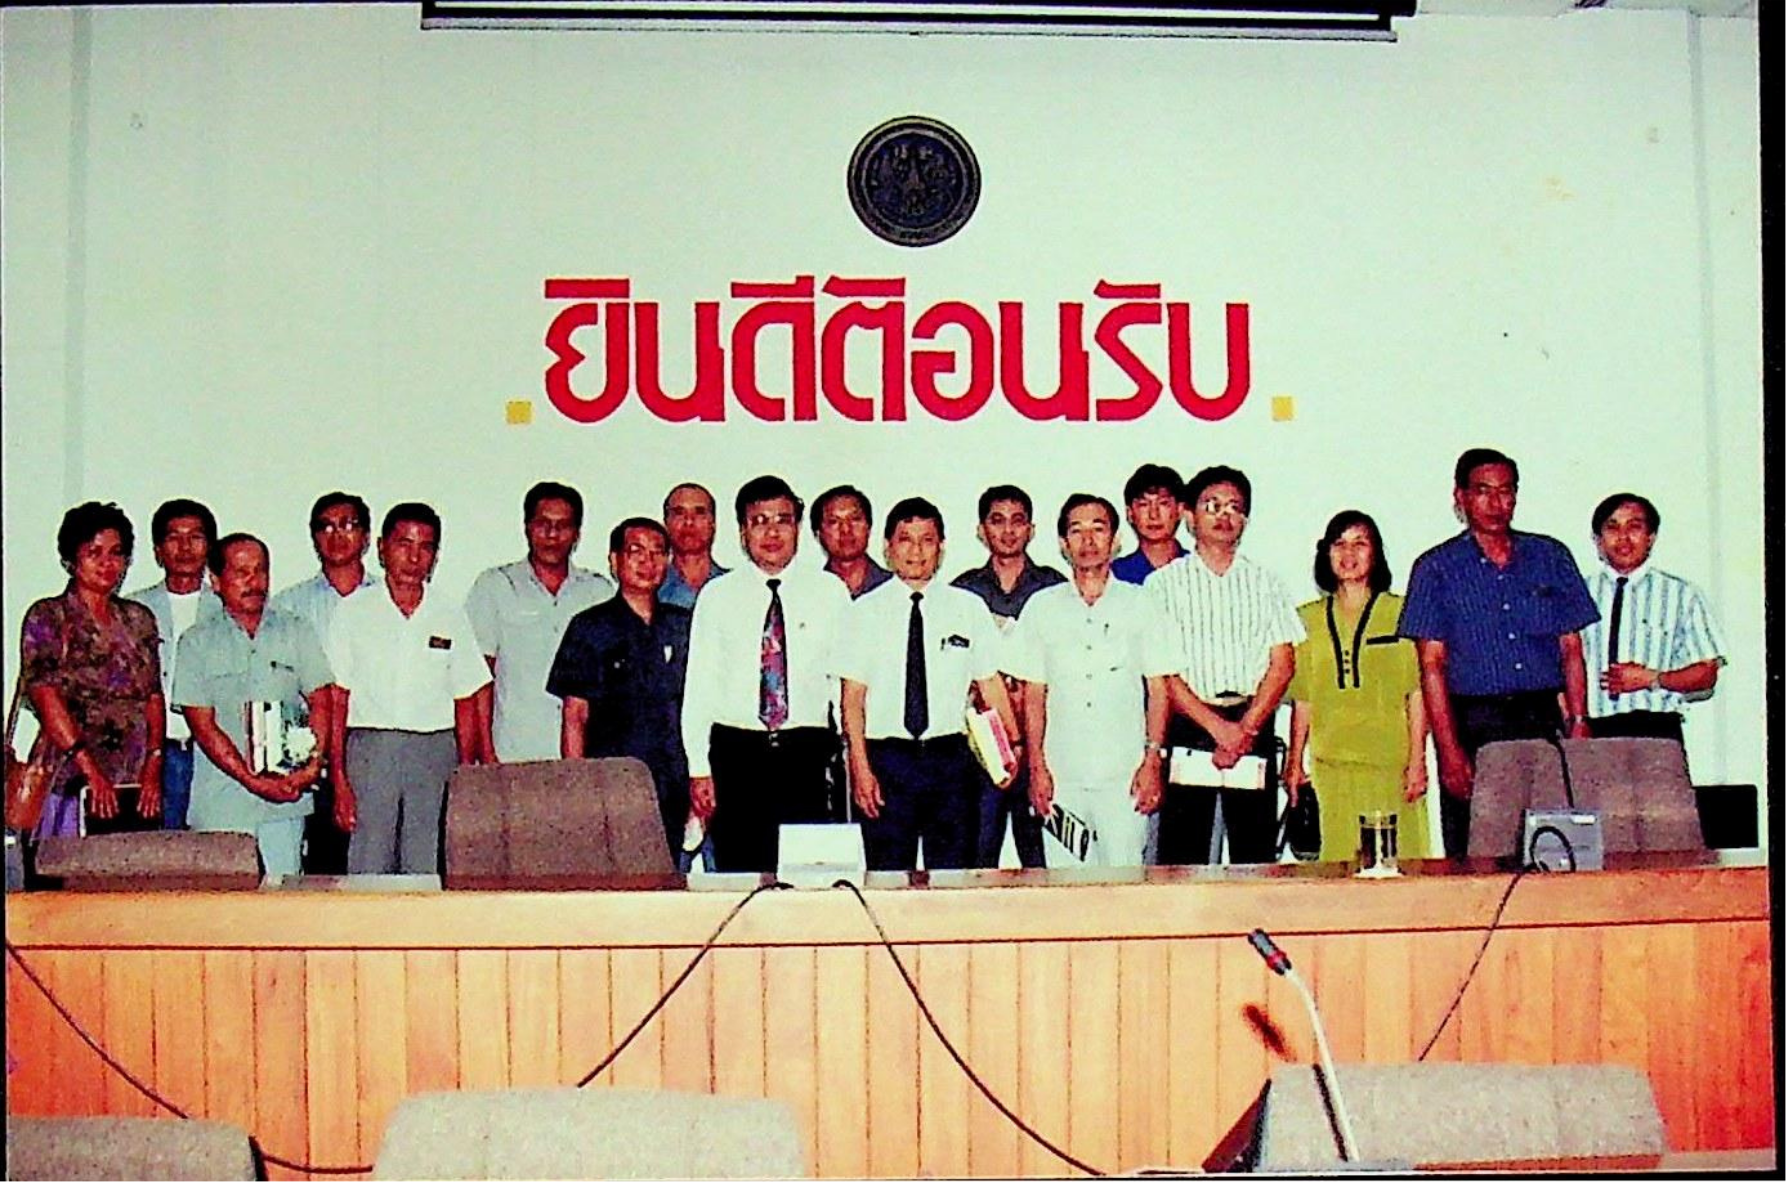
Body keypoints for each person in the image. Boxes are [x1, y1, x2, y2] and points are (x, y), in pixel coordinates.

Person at [1399, 448, 1598, 857]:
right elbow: (1431, 666)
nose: (1496, 502)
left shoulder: (1550, 556)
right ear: (1460, 497)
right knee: (1477, 853)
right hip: (1475, 723)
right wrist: (1449, 752)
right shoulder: (1435, 568)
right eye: (1483, 491)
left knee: (1553, 848)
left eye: (1506, 491)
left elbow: (1571, 649)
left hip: (1543, 719)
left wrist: (1579, 722)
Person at [837, 498, 1019, 872]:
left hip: (950, 760)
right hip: (886, 760)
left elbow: (991, 686)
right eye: (906, 540)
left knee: (954, 877)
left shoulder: (967, 608)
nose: (916, 551)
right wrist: (860, 768)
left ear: (941, 547)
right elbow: (852, 699)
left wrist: (1012, 749)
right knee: (886, 878)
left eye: (927, 540)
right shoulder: (863, 612)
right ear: (888, 547)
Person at [680, 476, 850, 872]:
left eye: (782, 520)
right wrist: (699, 768)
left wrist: (850, 755)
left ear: (798, 528)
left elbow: (841, 684)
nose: (772, 533)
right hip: (736, 754)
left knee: (809, 879)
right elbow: (700, 687)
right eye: (759, 521)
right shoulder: (717, 596)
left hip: (807, 754)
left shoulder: (830, 592)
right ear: (742, 532)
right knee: (741, 878)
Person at [1147, 465, 1304, 865]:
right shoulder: (1162, 585)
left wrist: (1244, 729)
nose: (1224, 515)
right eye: (1212, 505)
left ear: (1245, 520)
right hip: (1190, 726)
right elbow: (1163, 673)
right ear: (1189, 516)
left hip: (1253, 725)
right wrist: (1218, 729)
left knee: (1255, 855)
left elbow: (1282, 664)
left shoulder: (1267, 582)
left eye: (1234, 507)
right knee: (1183, 858)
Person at [1005, 494, 1173, 867]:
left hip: (1125, 775)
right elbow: (1033, 696)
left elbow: (1159, 691)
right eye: (1076, 531)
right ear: (1063, 544)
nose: (1088, 540)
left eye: (1098, 529)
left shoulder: (1142, 604)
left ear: (1116, 540)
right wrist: (1037, 768)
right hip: (1061, 776)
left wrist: (1152, 761)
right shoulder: (1042, 607)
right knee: (1066, 880)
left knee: (1125, 879)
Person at [326, 503, 490, 875]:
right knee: (369, 861)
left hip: (435, 751)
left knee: (427, 861)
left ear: (435, 555)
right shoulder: (353, 612)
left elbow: (466, 697)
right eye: (404, 544)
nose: (414, 557)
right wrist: (338, 778)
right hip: (372, 750)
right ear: (382, 548)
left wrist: (465, 771)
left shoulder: (450, 613)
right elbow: (338, 699)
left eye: (425, 547)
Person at [172, 534, 332, 878]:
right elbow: (202, 726)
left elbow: (322, 701)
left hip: (286, 800)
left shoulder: (296, 631)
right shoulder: (196, 642)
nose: (254, 581)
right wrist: (251, 780)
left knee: (282, 899)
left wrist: (311, 765)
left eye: (261, 571)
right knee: (224, 904)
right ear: (216, 580)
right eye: (241, 572)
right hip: (222, 802)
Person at [1282, 511, 1431, 862]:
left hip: (1391, 768)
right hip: (1330, 769)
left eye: (1359, 543)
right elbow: (1304, 699)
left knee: (1398, 867)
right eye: (1339, 544)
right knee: (1337, 870)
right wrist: (1294, 762)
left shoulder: (1402, 612)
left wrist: (1418, 761)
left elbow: (1416, 692)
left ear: (1375, 553)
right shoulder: (1305, 619)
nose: (1348, 554)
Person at [548, 518, 693, 858]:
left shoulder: (683, 624)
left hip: (673, 778)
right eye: (636, 552)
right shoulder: (589, 627)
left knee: (668, 872)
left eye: (657, 553)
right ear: (614, 561)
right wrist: (578, 784)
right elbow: (575, 715)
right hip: (612, 780)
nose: (647, 562)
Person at [20, 502, 164, 839]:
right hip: (69, 774)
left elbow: (153, 697)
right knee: (65, 866)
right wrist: (90, 771)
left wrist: (153, 766)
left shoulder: (139, 619)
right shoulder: (49, 616)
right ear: (71, 559)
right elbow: (45, 697)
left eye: (116, 553)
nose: (107, 563)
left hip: (133, 779)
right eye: (93, 552)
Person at [950, 484, 1065, 869]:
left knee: (1041, 857)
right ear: (981, 530)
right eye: (997, 521)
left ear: (1031, 529)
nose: (1008, 530)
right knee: (979, 853)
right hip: (981, 748)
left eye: (1018, 521)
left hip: (1041, 742)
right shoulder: (963, 592)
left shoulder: (1053, 587)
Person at [466, 482, 614, 763]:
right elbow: (478, 679)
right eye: (543, 523)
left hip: (585, 758)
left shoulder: (599, 591)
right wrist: (486, 754)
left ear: (577, 534)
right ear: (527, 527)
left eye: (563, 525)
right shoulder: (495, 586)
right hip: (513, 754)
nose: (552, 534)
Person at [271, 491, 377, 873]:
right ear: (313, 537)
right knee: (320, 868)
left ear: (367, 537)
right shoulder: (287, 606)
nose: (337, 535)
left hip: (371, 748)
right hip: (307, 754)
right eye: (326, 527)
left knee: (375, 864)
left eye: (348, 525)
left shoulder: (389, 600)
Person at [1580, 493, 1726, 745]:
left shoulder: (1682, 594)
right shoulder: (1577, 594)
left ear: (1651, 537)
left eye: (1634, 527)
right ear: (1598, 540)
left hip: (1658, 729)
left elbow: (1706, 674)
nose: (1623, 537)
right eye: (1612, 527)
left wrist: (1652, 679)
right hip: (1593, 731)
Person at [126, 498, 221, 830]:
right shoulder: (133, 610)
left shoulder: (228, 609)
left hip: (214, 755)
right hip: (152, 756)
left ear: (210, 547)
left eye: (195, 537)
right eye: (174, 537)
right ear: (157, 551)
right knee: (155, 850)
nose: (185, 547)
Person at [1111, 463, 1188, 586]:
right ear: (1130, 513)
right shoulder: (1114, 575)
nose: (1153, 515)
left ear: (1180, 510)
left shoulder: (1196, 569)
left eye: (1163, 503)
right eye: (1144, 504)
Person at [812, 484, 894, 599]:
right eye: (833, 521)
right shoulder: (810, 593)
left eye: (855, 519)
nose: (846, 530)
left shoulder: (894, 588)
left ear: (869, 527)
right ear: (818, 534)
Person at [658, 482, 729, 610]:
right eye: (679, 513)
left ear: (713, 524)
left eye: (699, 512)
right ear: (666, 524)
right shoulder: (650, 590)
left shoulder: (733, 586)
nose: (689, 521)